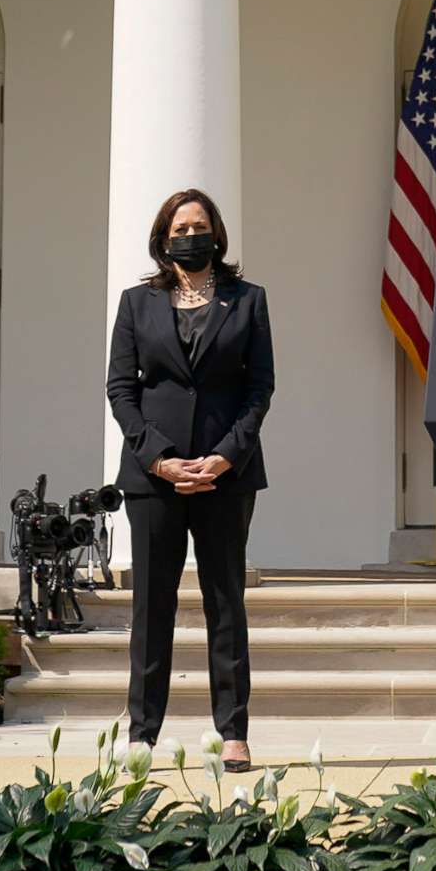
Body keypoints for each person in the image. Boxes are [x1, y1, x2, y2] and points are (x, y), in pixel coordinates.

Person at [105, 186, 275, 769]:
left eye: (198, 227)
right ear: (163, 239)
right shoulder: (136, 304)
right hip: (155, 477)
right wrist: (157, 458)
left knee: (225, 602)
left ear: (217, 235)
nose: (190, 236)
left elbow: (260, 391)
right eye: (179, 230)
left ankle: (233, 730)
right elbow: (121, 389)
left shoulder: (248, 300)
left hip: (227, 475)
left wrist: (226, 456)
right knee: (152, 605)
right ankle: (142, 734)